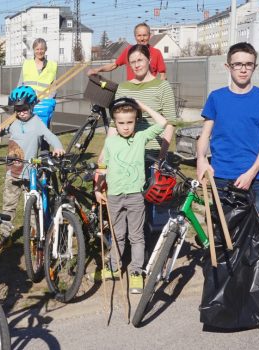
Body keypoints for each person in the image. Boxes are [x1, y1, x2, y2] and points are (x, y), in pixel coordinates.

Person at [94, 98, 168, 294]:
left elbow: (163, 124)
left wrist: (142, 107)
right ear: (114, 123)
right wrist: (97, 189)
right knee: (117, 235)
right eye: (121, 123)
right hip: (114, 196)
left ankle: (136, 272)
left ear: (136, 120)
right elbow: (103, 168)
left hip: (135, 196)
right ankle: (114, 266)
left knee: (136, 236)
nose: (126, 127)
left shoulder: (141, 137)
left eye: (130, 122)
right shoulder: (110, 142)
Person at [196, 42, 259, 213]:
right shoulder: (216, 97)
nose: (243, 69)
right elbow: (205, 135)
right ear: (228, 67)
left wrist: (251, 173)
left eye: (248, 64)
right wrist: (201, 160)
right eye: (238, 64)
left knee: (249, 233)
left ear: (254, 67)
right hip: (220, 174)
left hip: (253, 176)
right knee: (221, 230)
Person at [0, 86, 65, 252]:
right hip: (13, 172)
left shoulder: (37, 123)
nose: (21, 112)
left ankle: (36, 236)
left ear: (31, 106)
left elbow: (50, 136)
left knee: (32, 207)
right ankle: (5, 235)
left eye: (24, 109)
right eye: (18, 109)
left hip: (31, 172)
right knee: (8, 205)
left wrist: (58, 146)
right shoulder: (13, 122)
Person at [113, 44, 176, 159]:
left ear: (149, 59)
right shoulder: (123, 88)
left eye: (140, 60)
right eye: (132, 62)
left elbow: (170, 123)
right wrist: (105, 153)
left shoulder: (163, 86)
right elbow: (114, 124)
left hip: (153, 154)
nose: (136, 65)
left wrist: (161, 158)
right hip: (126, 154)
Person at [87, 23, 166, 80]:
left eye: (145, 35)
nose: (142, 38)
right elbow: (114, 65)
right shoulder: (128, 51)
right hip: (132, 94)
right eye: (139, 35)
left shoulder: (156, 53)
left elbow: (163, 76)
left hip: (150, 95)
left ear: (149, 35)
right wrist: (96, 70)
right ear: (135, 36)